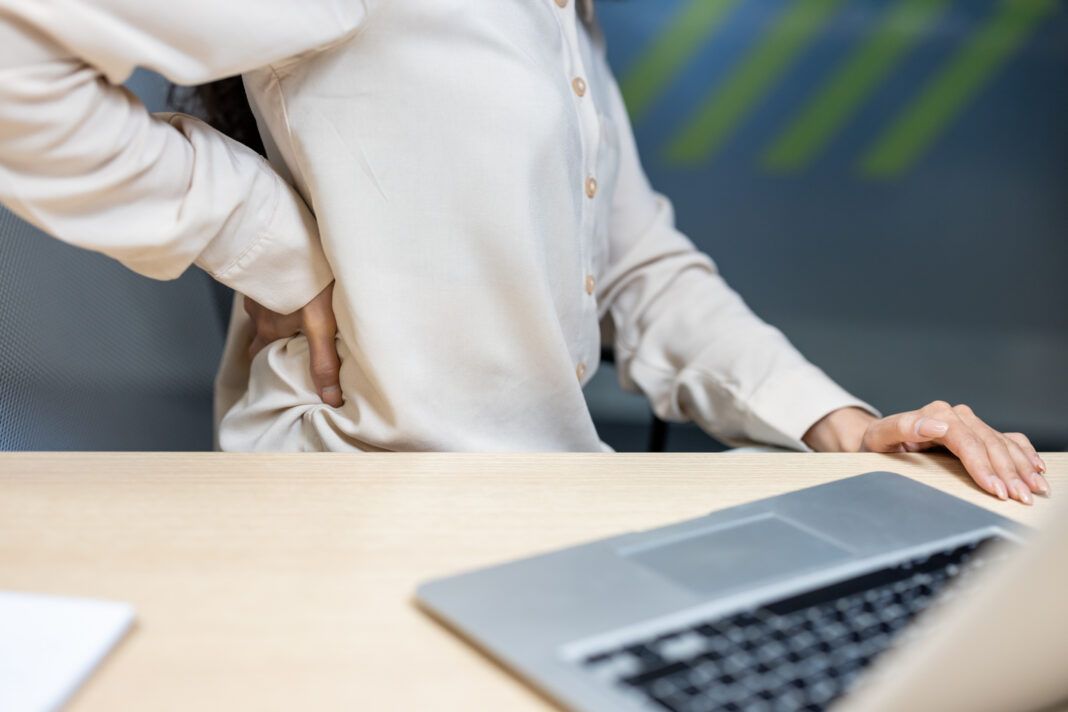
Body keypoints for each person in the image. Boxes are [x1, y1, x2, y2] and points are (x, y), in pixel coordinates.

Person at [0, 0, 1049, 505]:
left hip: (536, 517)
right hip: (346, 515)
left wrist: (846, 429)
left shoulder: (559, 14)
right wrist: (263, 234)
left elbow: (639, 267)